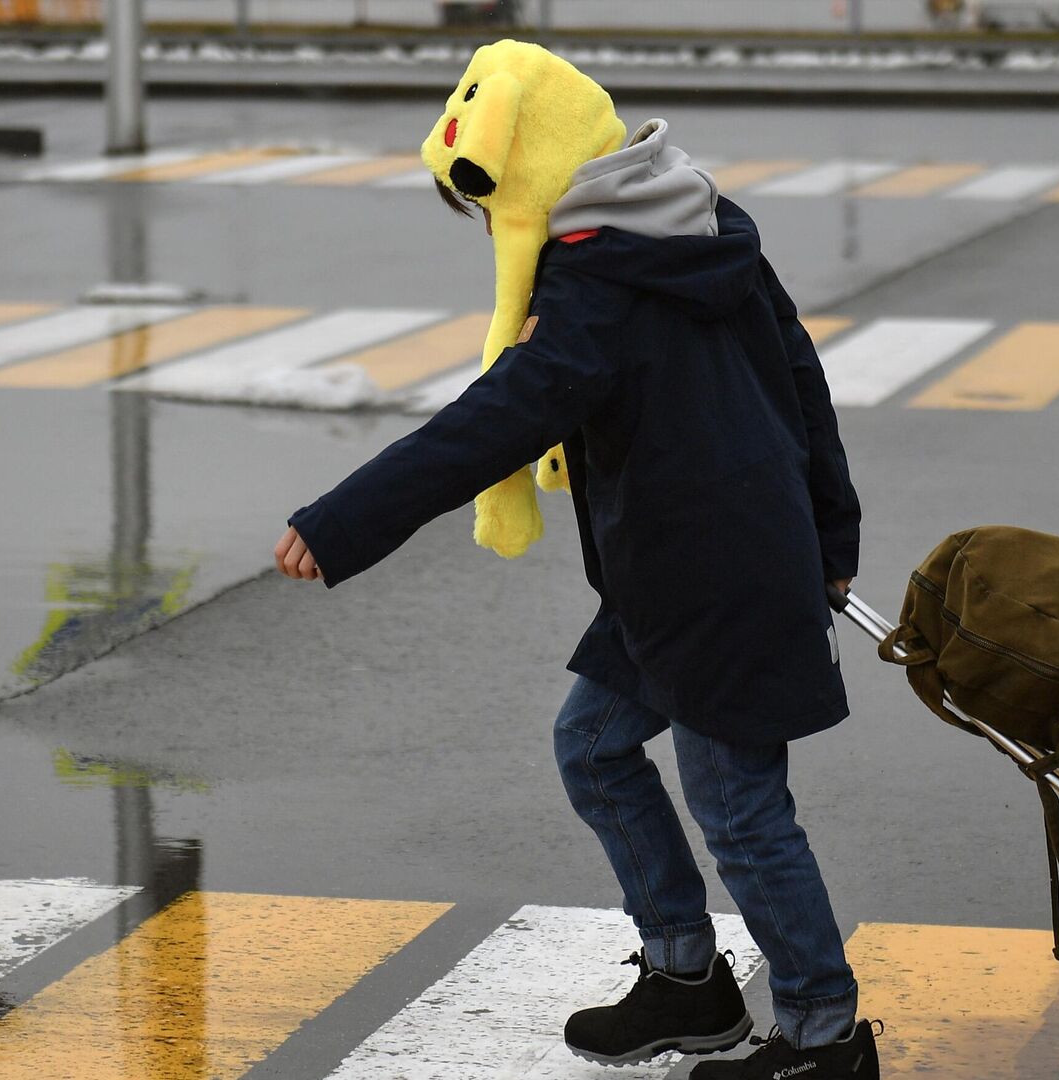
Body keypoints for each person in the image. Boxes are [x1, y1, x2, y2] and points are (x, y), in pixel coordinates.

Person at [273, 41, 879, 1080]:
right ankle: (689, 981)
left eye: (492, 208)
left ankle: (826, 1037)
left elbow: (504, 414)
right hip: (696, 568)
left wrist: (345, 520)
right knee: (594, 747)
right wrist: (828, 535)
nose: (498, 233)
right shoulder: (693, 221)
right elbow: (800, 377)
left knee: (738, 807)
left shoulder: (602, 275)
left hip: (713, 581)